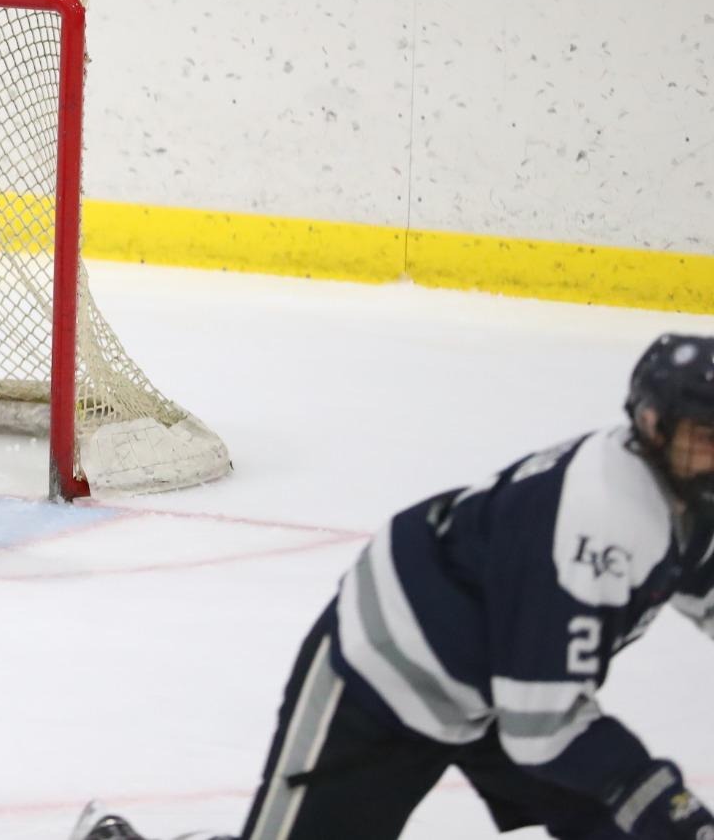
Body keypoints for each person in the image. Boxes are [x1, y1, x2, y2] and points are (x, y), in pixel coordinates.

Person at [72, 333, 714, 840]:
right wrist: (669, 802)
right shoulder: (603, 517)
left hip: (505, 681)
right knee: (643, 808)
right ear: (652, 426)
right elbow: (543, 729)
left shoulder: (684, 496)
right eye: (703, 438)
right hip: (390, 671)